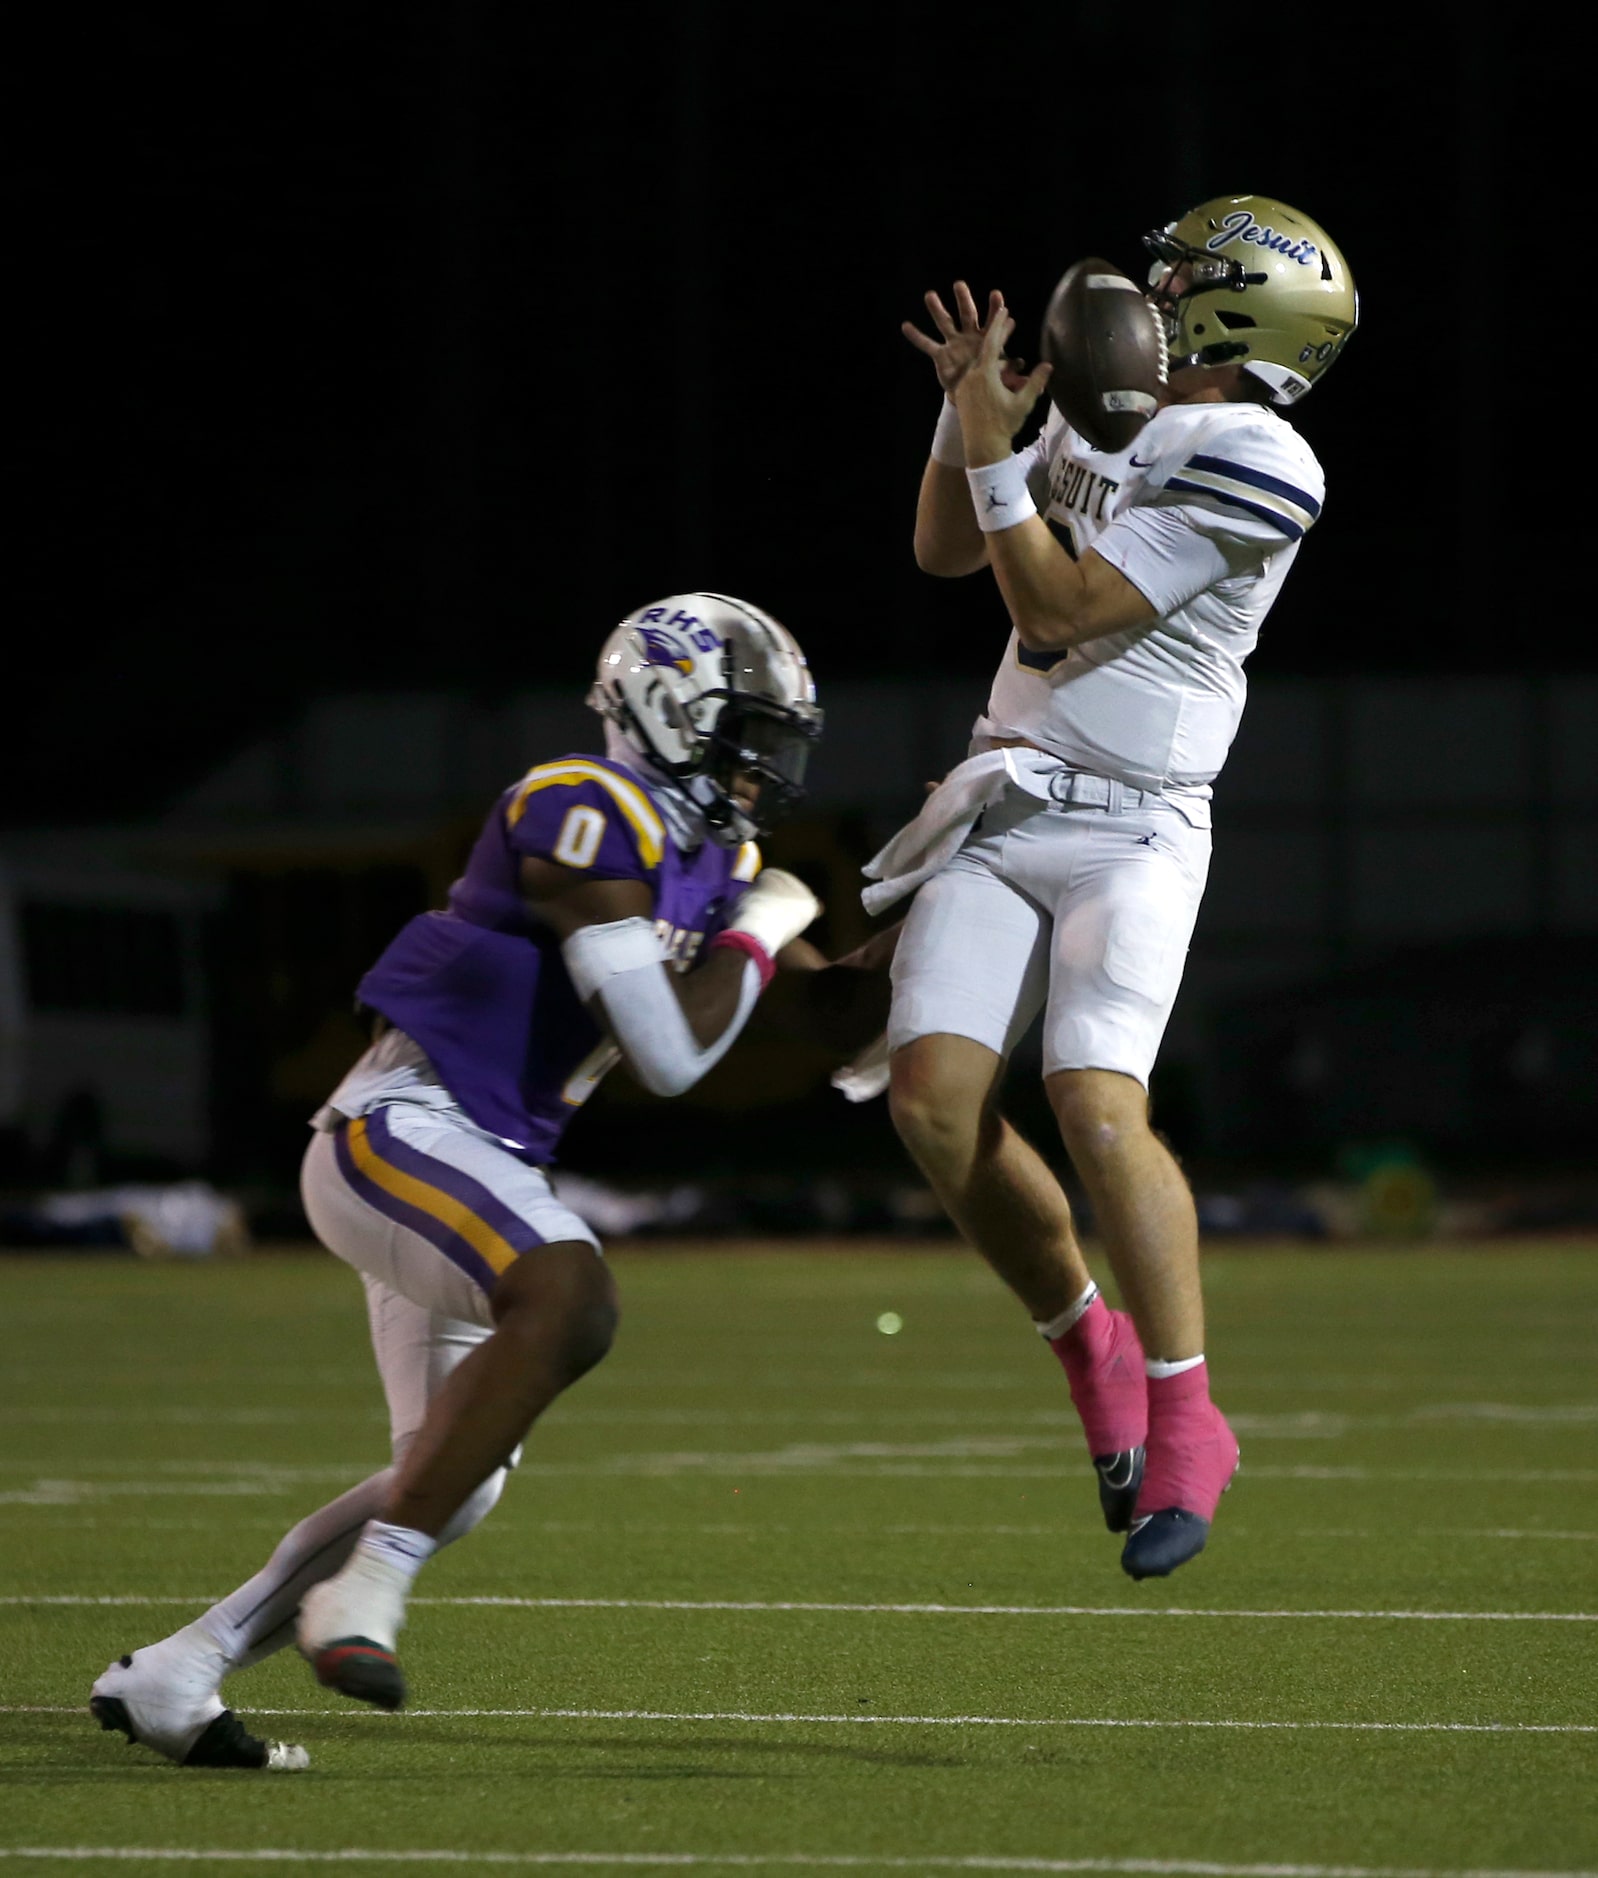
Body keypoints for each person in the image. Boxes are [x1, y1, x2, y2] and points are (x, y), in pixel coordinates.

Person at [89, 591, 882, 1770]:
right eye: (745, 735)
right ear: (669, 710)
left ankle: (179, 1670)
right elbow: (669, 1054)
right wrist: (763, 925)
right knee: (569, 1294)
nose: (763, 767)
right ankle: (363, 1594)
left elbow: (823, 1011)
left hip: (478, 1162)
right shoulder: (577, 806)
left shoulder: (719, 861)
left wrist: (948, 916)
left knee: (454, 1480)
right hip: (397, 1127)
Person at [876, 195, 1357, 1581]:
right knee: (931, 1104)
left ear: (1247, 312)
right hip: (1005, 782)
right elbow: (948, 550)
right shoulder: (1110, 410)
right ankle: (1085, 1340)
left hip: (1135, 824)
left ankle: (1187, 1408)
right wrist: (966, 413)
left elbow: (1055, 610)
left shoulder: (1261, 453)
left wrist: (996, 449)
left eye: (1188, 275)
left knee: (1093, 1100)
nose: (1155, 284)